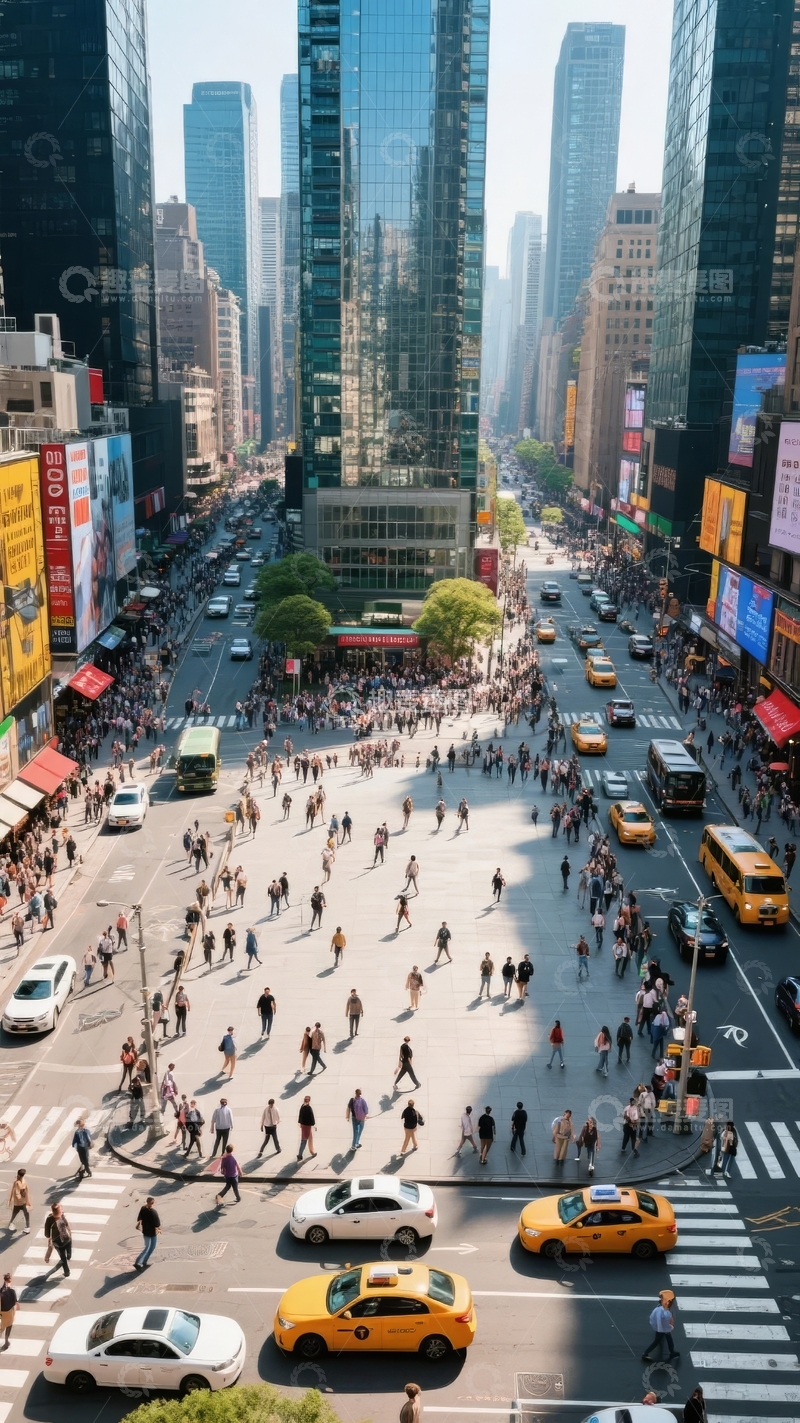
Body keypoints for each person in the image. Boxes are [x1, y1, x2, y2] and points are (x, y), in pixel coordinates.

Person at [641, 1289, 679, 1361]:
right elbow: (660, 1320)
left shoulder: (663, 1306)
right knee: (658, 1340)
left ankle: (672, 1352)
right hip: (662, 1327)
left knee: (666, 1339)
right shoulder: (661, 1310)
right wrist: (663, 1329)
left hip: (663, 1326)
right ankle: (645, 1353)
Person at [44, 1203, 72, 1276]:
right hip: (63, 1241)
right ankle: (68, 1259)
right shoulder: (56, 1217)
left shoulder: (54, 1217)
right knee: (65, 1254)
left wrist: (48, 1237)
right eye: (61, 1210)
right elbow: (67, 1226)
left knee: (65, 1256)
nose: (62, 1211)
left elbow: (47, 1233)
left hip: (62, 1241)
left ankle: (67, 1268)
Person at [134, 1196, 161, 1270]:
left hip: (145, 1231)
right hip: (152, 1232)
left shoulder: (143, 1208)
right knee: (151, 1247)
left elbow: (140, 1218)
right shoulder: (153, 1212)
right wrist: (158, 1229)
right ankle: (140, 1262)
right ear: (152, 1203)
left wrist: (138, 1224)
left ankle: (142, 1261)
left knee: (147, 1247)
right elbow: (157, 1224)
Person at [7, 1169, 30, 1234]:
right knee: (26, 1215)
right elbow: (19, 1193)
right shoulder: (21, 1182)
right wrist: (25, 1200)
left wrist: (11, 1199)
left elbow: (16, 1192)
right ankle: (27, 1227)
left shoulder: (18, 1182)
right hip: (21, 1203)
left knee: (15, 1214)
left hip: (18, 1203)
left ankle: (11, 1224)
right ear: (24, 1175)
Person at [0, 1273, 17, 1351]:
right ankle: (6, 1342)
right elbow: (14, 1301)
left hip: (2, 1311)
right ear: (10, 1279)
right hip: (9, 1311)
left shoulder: (1, 1290)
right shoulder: (11, 1290)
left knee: (2, 1326)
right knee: (9, 1325)